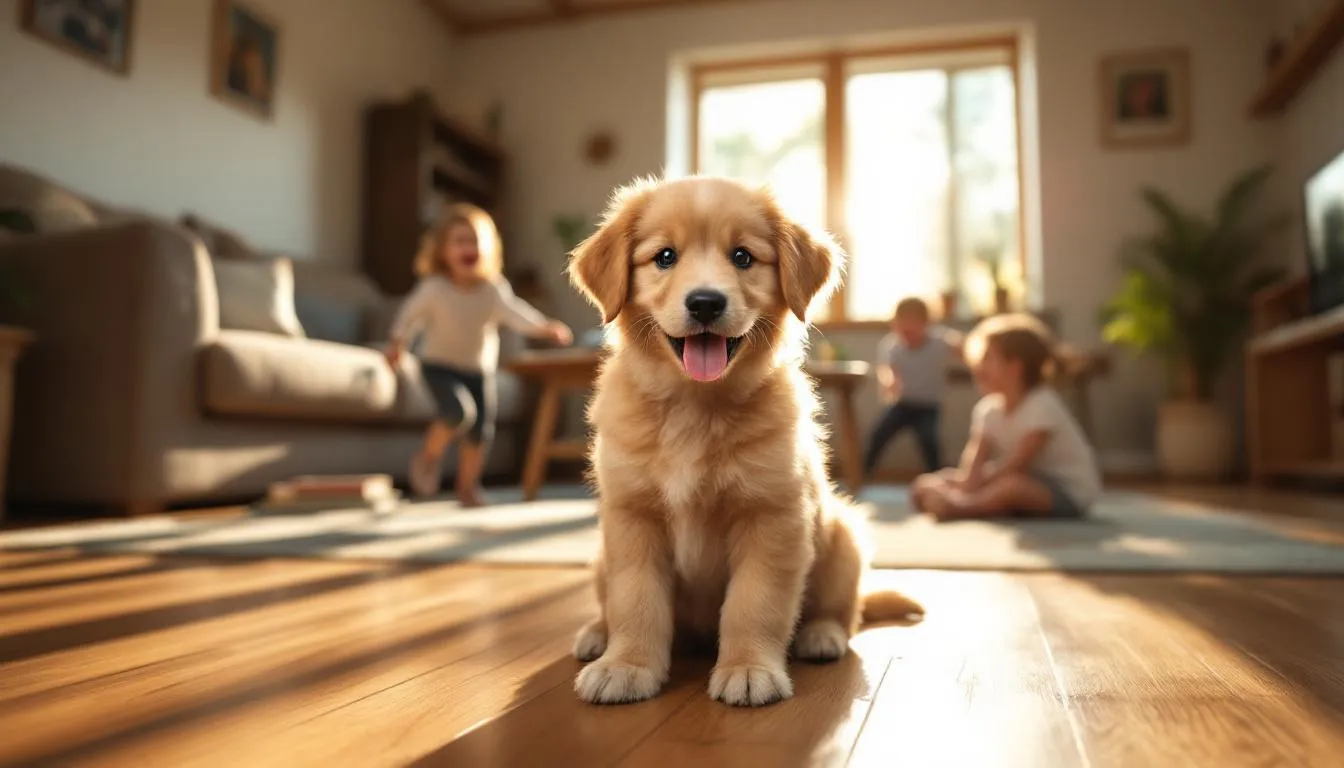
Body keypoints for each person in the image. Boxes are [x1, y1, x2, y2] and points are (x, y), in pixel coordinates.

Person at [386, 203, 572, 506]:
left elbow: (516, 314)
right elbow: (409, 317)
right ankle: (429, 456)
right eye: (459, 241)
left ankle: (467, 488)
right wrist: (397, 342)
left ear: (487, 249)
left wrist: (544, 327)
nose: (467, 247)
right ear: (443, 251)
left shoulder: (493, 290)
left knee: (480, 433)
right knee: (458, 414)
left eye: (474, 241)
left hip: (478, 372)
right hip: (438, 366)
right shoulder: (434, 288)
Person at [911, 313, 1101, 521]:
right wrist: (965, 483)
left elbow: (1017, 463)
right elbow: (975, 458)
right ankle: (974, 502)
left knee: (1011, 487)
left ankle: (966, 508)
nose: (978, 367)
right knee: (932, 481)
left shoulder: (1042, 404)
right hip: (1021, 477)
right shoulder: (988, 410)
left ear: (1014, 367)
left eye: (987, 359)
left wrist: (968, 492)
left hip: (1066, 491)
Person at [863, 297, 962, 477]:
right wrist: (890, 383)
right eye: (902, 326)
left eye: (912, 325)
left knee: (930, 442)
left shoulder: (939, 341)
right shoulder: (892, 346)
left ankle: (938, 479)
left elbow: (963, 347)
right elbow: (887, 370)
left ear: (926, 324)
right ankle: (862, 474)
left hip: (929, 406)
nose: (907, 332)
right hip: (902, 404)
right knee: (878, 435)